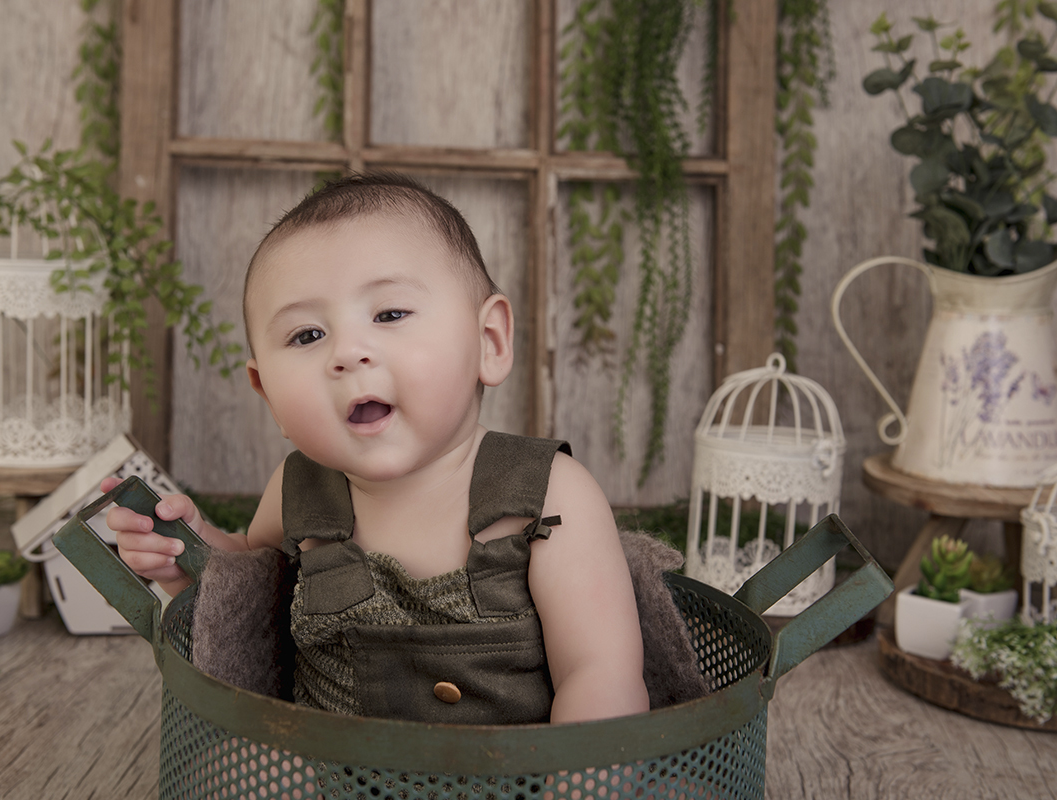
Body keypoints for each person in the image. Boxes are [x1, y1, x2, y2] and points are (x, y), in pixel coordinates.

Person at [106, 173, 649, 724]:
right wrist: (190, 554)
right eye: (307, 335)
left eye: (389, 314)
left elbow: (600, 674)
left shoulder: (548, 493)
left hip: (515, 778)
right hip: (333, 776)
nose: (347, 353)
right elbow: (247, 606)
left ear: (490, 342)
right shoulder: (298, 491)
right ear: (267, 393)